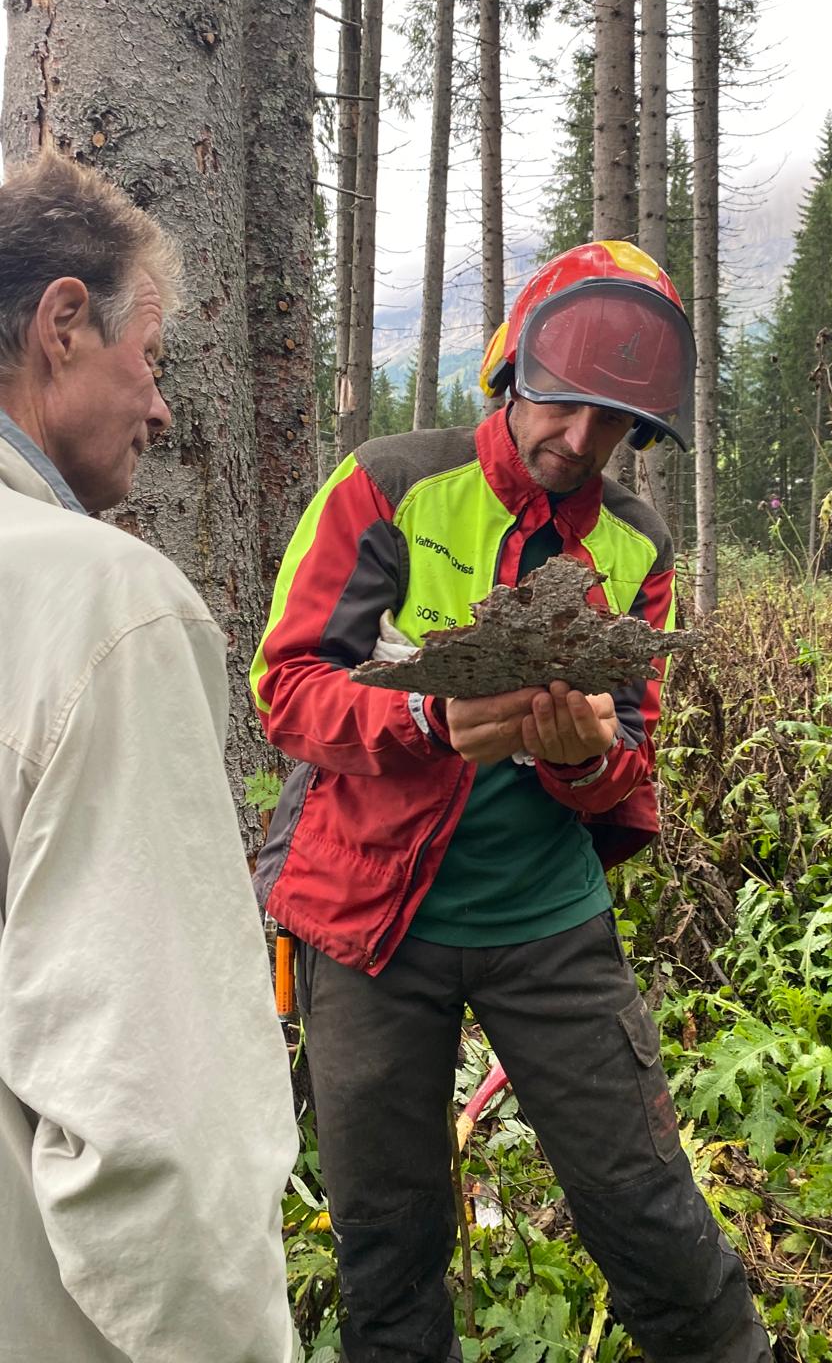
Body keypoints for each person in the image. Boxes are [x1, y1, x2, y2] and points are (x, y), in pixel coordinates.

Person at [251, 240, 770, 1363]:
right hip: (370, 923)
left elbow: (632, 750)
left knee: (645, 1201)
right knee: (387, 1239)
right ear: (511, 368)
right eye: (565, 404)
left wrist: (584, 757)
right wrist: (426, 722)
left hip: (545, 919)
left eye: (615, 424)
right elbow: (285, 689)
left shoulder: (637, 543)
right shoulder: (389, 485)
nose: (579, 444)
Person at [0, 152, 298, 1363]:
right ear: (63, 325)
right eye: (152, 359)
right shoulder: (105, 608)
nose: (164, 407)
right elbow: (161, 1118)